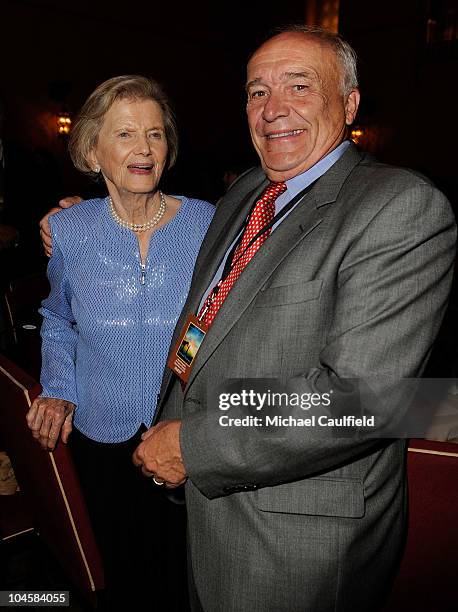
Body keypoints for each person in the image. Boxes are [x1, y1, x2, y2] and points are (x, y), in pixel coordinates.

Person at [40, 28, 456, 612]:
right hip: (203, 504)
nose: (273, 108)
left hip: (291, 534)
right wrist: (81, 221)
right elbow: (208, 329)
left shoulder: (400, 206)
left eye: (299, 86)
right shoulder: (248, 193)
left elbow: (369, 398)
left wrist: (195, 444)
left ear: (350, 102)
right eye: (257, 91)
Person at [27, 74, 214, 610]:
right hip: (99, 434)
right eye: (126, 134)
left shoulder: (209, 224)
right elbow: (58, 318)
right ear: (92, 150)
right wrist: (59, 387)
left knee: (182, 576)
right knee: (119, 572)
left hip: (182, 433)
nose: (143, 148)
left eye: (155, 135)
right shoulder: (69, 230)